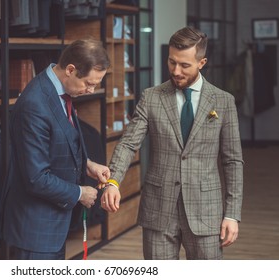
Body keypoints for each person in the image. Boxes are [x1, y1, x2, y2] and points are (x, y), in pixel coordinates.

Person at [100, 26, 244, 260]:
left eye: (184, 65)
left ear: (202, 62)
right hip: (158, 210)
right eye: (171, 62)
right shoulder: (151, 97)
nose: (176, 71)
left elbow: (233, 161)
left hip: (206, 210)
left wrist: (232, 214)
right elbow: (128, 143)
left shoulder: (223, 101)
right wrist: (113, 181)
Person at [1, 39, 111, 260]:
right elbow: (36, 178)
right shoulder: (35, 104)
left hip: (53, 227)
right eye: (89, 83)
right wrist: (80, 193)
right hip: (35, 229)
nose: (91, 90)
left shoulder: (60, 92)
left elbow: (57, 143)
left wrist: (87, 164)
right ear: (70, 70)